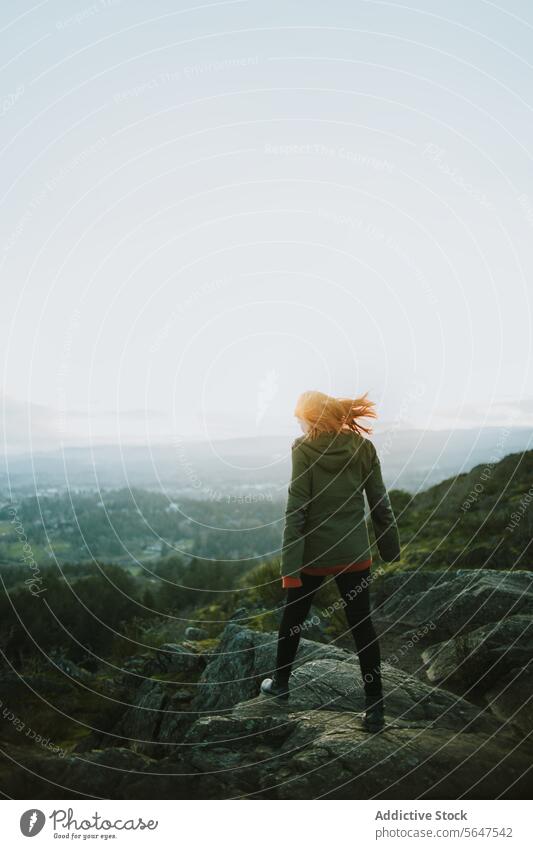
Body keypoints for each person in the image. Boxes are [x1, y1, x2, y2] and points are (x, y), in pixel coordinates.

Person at [260, 390, 401, 732]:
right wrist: (390, 549)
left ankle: (280, 685)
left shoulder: (304, 450)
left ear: (312, 419)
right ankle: (375, 709)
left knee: (293, 617)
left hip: (313, 556)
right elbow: (379, 503)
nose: (298, 424)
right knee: (362, 626)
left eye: (299, 418)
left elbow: (297, 509)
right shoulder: (364, 448)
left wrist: (289, 568)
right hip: (354, 555)